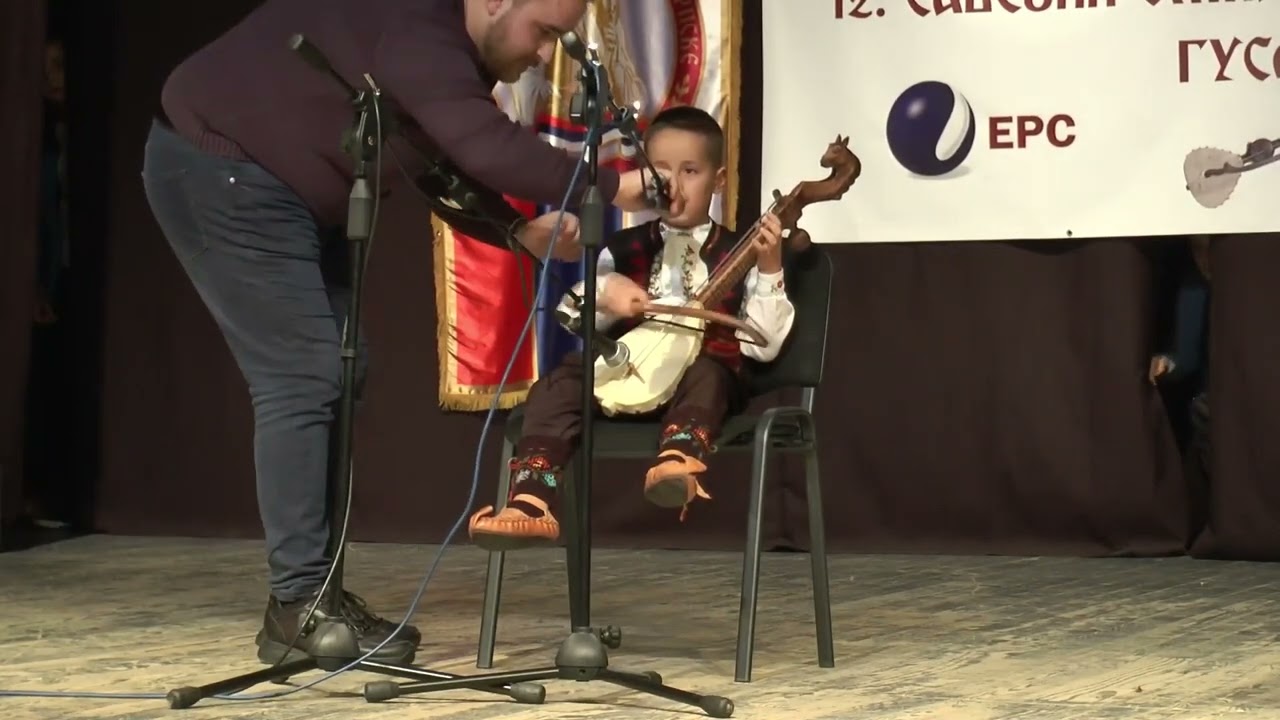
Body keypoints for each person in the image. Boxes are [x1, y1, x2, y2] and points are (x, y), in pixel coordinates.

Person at [140, 0, 659, 666]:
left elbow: (436, 158)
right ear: (497, 2)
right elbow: (477, 142)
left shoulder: (437, 47)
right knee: (304, 375)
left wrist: (511, 227)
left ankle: (310, 596)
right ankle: (299, 602)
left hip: (278, 191)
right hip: (222, 171)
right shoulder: (420, 20)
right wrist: (613, 186)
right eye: (546, 33)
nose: (544, 55)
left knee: (341, 369)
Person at [467, 106, 795, 550]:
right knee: (559, 383)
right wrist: (605, 295)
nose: (673, 186)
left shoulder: (742, 253)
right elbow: (575, 315)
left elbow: (765, 348)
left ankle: (679, 460)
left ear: (718, 181)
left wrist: (771, 265)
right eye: (660, 172)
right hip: (623, 378)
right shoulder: (622, 249)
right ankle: (530, 500)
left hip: (695, 395)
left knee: (711, 373)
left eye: (691, 171)